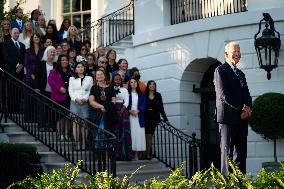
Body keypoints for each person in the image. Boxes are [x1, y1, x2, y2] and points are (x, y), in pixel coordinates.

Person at [214, 41, 252, 176]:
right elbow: (224, 95)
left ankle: (240, 182)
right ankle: (227, 184)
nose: (237, 54)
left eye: (239, 51)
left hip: (242, 119)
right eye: (234, 51)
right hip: (228, 119)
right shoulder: (220, 70)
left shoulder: (241, 74)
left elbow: (247, 95)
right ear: (226, 54)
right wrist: (242, 108)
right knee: (227, 153)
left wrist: (248, 109)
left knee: (241, 154)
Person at [89, 69, 116, 149]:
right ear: (96, 77)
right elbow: (91, 101)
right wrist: (101, 107)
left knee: (108, 133)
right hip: (97, 113)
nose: (99, 76)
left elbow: (113, 100)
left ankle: (109, 153)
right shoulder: (94, 88)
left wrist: (106, 108)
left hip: (108, 113)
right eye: (98, 75)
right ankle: (99, 154)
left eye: (101, 74)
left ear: (104, 76)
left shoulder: (110, 87)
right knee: (98, 132)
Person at [48, 54, 73, 141]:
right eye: (62, 60)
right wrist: (59, 88)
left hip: (69, 97)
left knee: (67, 117)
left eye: (66, 60)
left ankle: (66, 134)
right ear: (59, 61)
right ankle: (60, 134)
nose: (65, 61)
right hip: (58, 96)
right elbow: (50, 81)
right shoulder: (54, 71)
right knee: (59, 117)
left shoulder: (71, 72)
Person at [68, 62, 93, 149]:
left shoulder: (89, 78)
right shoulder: (72, 79)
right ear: (75, 69)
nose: (81, 68)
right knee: (76, 123)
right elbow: (70, 91)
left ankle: (83, 143)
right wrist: (76, 99)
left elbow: (90, 90)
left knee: (84, 123)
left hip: (85, 102)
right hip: (74, 102)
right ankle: (77, 142)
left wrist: (85, 99)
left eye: (82, 66)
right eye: (78, 67)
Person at [144, 80, 169, 160]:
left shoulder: (158, 95)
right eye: (150, 84)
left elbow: (161, 108)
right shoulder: (144, 95)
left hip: (154, 118)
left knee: (150, 135)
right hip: (145, 117)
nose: (152, 85)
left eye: (154, 84)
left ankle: (148, 153)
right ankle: (147, 153)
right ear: (148, 86)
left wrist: (166, 119)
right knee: (147, 136)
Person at [112, 74, 132, 160]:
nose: (117, 81)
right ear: (113, 80)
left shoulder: (124, 89)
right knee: (115, 132)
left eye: (119, 80)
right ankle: (115, 154)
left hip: (123, 111)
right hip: (113, 111)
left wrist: (121, 111)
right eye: (116, 80)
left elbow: (126, 102)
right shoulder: (111, 89)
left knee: (123, 132)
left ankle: (124, 155)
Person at [128, 78, 146, 160]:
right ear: (129, 84)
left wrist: (138, 111)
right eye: (131, 82)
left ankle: (137, 154)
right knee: (131, 134)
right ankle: (130, 153)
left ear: (137, 83)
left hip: (139, 116)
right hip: (130, 116)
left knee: (138, 134)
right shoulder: (127, 94)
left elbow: (144, 104)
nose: (133, 83)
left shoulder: (141, 94)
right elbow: (125, 104)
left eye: (135, 82)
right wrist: (130, 111)